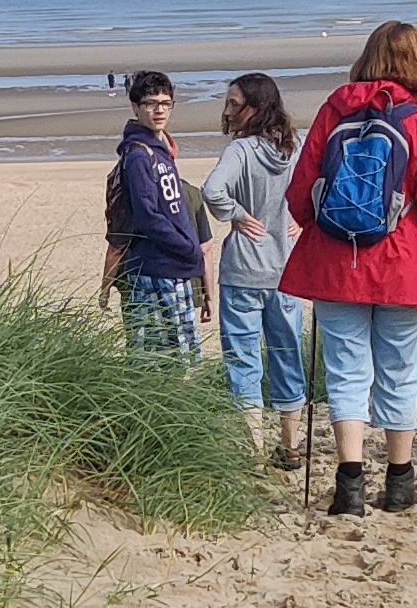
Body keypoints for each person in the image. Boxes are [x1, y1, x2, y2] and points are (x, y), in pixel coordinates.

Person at [281, 20, 417, 516]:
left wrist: (326, 227)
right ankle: (400, 482)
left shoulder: (333, 111)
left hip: (336, 263)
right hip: (404, 265)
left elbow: (300, 195)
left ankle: (350, 485)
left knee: (344, 373)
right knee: (401, 371)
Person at [198, 72, 310, 467]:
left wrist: (238, 215)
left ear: (256, 109)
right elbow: (318, 187)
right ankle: (289, 445)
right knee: (287, 353)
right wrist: (301, 219)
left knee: (245, 359)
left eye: (234, 104)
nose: (227, 111)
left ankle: (256, 449)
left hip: (245, 269)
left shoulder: (241, 151)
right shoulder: (293, 148)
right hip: (286, 270)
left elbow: (212, 190)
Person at [105, 70, 214, 366]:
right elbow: (147, 216)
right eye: (152, 103)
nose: (160, 110)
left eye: (166, 103)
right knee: (155, 359)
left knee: (183, 358)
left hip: (176, 268)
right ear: (136, 107)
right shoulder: (139, 154)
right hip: (155, 269)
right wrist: (187, 248)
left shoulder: (162, 149)